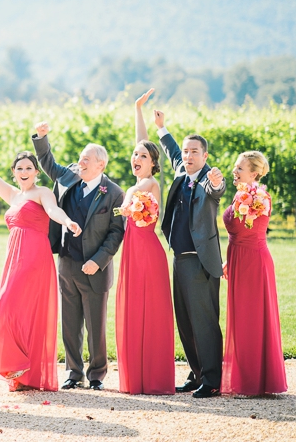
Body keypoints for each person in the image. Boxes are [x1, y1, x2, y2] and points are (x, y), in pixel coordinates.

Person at [0, 137, 81, 392]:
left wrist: (67, 222)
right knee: (7, 308)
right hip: (14, 258)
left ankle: (22, 369)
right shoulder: (12, 194)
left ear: (36, 172)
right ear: (14, 172)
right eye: (20, 168)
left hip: (34, 258)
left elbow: (53, 211)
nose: (24, 172)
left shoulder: (42, 193)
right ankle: (19, 372)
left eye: (29, 168)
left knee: (12, 306)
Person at [32, 123, 124, 391]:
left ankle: (97, 375)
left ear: (100, 165)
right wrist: (41, 138)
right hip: (67, 263)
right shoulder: (69, 177)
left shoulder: (114, 193)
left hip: (95, 267)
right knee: (70, 324)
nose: (80, 162)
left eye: (86, 159)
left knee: (96, 326)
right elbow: (47, 161)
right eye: (81, 158)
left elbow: (116, 233)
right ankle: (74, 372)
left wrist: (99, 260)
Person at [154, 108, 226, 398]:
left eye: (194, 151)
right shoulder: (181, 172)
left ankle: (211, 379)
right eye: (186, 151)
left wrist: (218, 182)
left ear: (204, 156)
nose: (188, 155)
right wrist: (161, 128)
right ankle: (196, 374)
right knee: (184, 321)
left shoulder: (209, 178)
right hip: (179, 260)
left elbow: (215, 190)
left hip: (200, 262)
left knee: (204, 322)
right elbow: (172, 151)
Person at [114, 90, 175, 395]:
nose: (136, 157)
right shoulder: (141, 179)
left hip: (148, 253)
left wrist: (126, 202)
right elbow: (143, 142)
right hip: (131, 252)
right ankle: (136, 376)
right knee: (134, 310)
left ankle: (152, 377)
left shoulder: (149, 183)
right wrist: (138, 110)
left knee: (149, 311)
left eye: (143, 156)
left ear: (153, 163)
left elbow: (133, 195)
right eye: (135, 155)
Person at [221, 151, 287, 396]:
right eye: (235, 167)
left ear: (254, 173)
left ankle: (258, 381)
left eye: (240, 168)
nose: (234, 172)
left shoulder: (260, 196)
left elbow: (251, 228)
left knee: (253, 318)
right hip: (238, 260)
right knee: (241, 317)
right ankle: (245, 377)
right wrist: (229, 260)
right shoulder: (241, 194)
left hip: (254, 262)